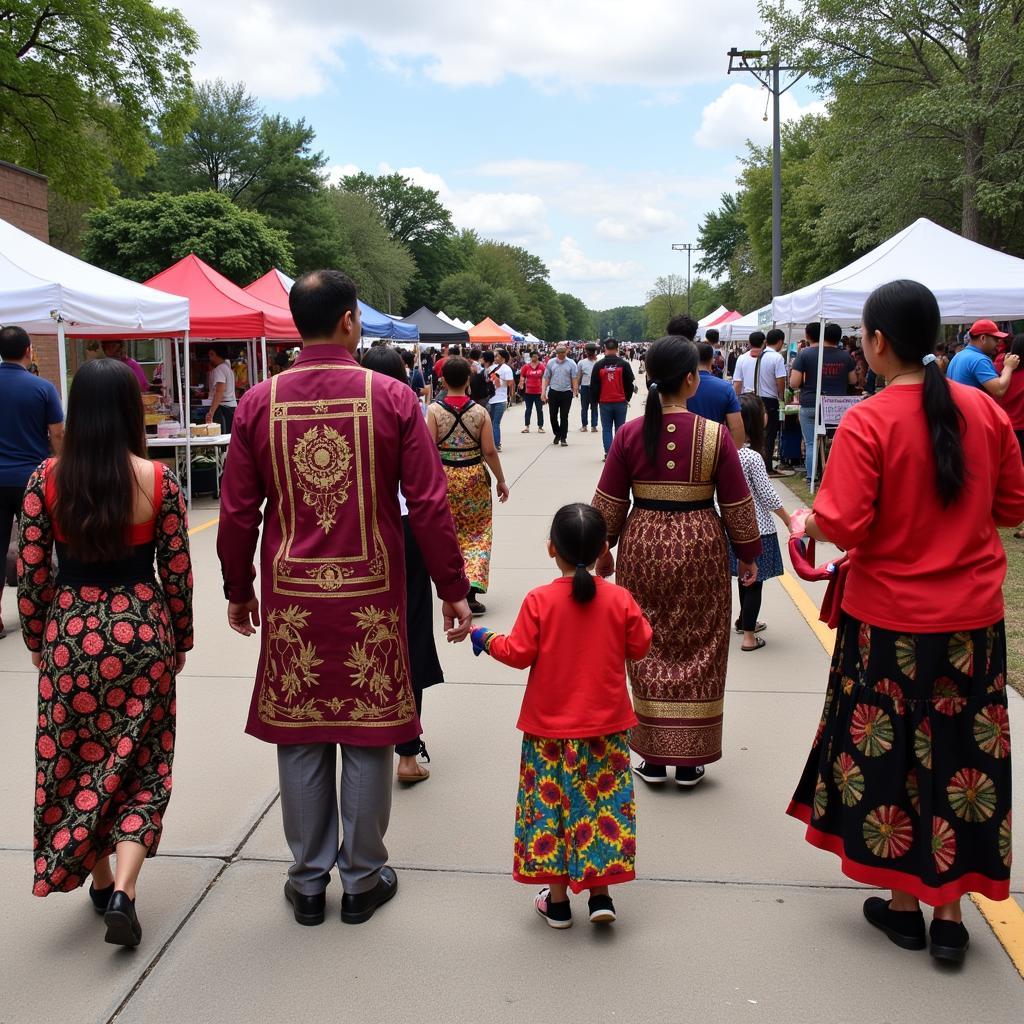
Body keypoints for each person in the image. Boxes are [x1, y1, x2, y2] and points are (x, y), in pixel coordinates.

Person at [217, 270, 473, 928]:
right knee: (365, 731)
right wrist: (451, 587)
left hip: (293, 597)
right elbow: (429, 503)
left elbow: (238, 512)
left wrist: (238, 590)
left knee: (302, 734)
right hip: (372, 595)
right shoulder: (390, 397)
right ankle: (360, 879)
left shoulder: (258, 403)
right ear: (351, 320)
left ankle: (307, 882)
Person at [787, 279, 1024, 965]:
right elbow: (1011, 509)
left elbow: (844, 521)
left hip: (886, 624)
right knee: (962, 756)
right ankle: (951, 913)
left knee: (889, 756)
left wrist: (809, 519)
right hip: (971, 627)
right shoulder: (985, 412)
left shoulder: (868, 421)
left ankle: (902, 907)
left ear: (878, 342)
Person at [18, 358, 193, 946]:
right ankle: (125, 885)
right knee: (144, 764)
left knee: (76, 759)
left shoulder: (45, 479)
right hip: (142, 629)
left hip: (72, 632)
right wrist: (181, 638)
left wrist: (38, 637)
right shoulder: (158, 480)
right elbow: (177, 571)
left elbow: (32, 571)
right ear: (128, 410)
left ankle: (96, 880)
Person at [470, 503, 652, 928]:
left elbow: (517, 653)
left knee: (551, 809)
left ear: (552, 549)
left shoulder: (539, 600)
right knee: (600, 809)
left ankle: (556, 903)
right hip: (604, 729)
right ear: (604, 547)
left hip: (547, 731)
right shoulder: (619, 599)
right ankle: (600, 896)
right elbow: (641, 644)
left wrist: (484, 637)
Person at [592, 337, 761, 786]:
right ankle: (689, 757)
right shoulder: (714, 435)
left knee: (646, 640)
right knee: (701, 643)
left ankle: (651, 754)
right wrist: (747, 555)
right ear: (691, 380)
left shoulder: (629, 434)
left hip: (642, 544)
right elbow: (738, 503)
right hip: (701, 546)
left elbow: (607, 503)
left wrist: (603, 550)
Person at [360, 347, 441, 785]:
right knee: (408, 634)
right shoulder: (406, 405)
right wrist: (450, 581)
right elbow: (428, 493)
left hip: (357, 529)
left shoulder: (343, 409)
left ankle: (363, 737)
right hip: (405, 529)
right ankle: (407, 751)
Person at [427, 356, 510, 617]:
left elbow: (428, 449)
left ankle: (452, 588)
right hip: (473, 475)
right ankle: (471, 590)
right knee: (477, 532)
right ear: (468, 381)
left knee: (449, 532)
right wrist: (501, 479)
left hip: (445, 476)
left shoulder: (434, 411)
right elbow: (489, 451)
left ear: (442, 380)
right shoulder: (480, 412)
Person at [0, 326, 64, 638]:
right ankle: (43, 610)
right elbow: (57, 434)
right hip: (31, 479)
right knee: (36, 547)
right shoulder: (43, 388)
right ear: (29, 350)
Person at [729, 394, 791, 652]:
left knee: (745, 578)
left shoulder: (726, 452)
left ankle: (745, 620)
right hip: (758, 530)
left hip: (733, 528)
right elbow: (767, 495)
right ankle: (749, 637)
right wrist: (789, 520)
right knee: (755, 581)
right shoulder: (752, 457)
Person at [789, 323, 857, 484]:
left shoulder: (805, 354)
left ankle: (812, 477)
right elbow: (853, 380)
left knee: (812, 443)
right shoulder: (846, 356)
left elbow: (793, 382)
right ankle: (836, 475)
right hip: (837, 406)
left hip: (811, 403)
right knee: (836, 443)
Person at [733, 331, 788, 476]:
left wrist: (735, 400)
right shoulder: (776, 358)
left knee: (748, 432)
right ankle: (766, 466)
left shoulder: (742, 358)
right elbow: (780, 381)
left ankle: (747, 464)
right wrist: (781, 397)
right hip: (769, 399)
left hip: (747, 398)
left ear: (750, 343)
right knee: (769, 434)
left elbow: (737, 383)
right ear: (763, 341)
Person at [687, 342, 744, 447]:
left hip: (685, 446)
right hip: (714, 448)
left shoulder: (681, 386)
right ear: (712, 360)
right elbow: (736, 429)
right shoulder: (725, 388)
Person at [947, 319, 1020, 397]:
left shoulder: (958, 356)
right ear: (983, 338)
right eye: (996, 339)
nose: (998, 342)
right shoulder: (979, 360)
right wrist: (1008, 367)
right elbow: (999, 390)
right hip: (972, 408)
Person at [591, 338, 636, 459]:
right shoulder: (624, 364)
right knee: (620, 429)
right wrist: (627, 398)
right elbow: (630, 383)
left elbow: (594, 385)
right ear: (617, 349)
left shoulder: (599, 365)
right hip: (620, 401)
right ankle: (619, 454)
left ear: (605, 348)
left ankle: (608, 453)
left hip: (604, 402)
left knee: (606, 428)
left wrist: (595, 401)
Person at [542, 343, 578, 447]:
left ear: (566, 352)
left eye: (563, 352)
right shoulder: (551, 363)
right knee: (553, 415)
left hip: (566, 393)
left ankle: (563, 437)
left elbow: (574, 377)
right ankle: (557, 433)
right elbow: (546, 377)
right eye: (559, 353)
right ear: (556, 353)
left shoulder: (571, 363)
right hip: (554, 391)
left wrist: (575, 390)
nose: (561, 354)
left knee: (564, 416)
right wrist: (543, 391)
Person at [482, 349, 514, 451]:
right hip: (490, 399)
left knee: (495, 422)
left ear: (503, 358)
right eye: (495, 356)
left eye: (498, 356)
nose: (495, 358)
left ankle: (496, 444)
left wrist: (499, 380)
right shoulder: (494, 368)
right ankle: (490, 443)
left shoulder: (506, 369)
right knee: (490, 423)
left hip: (500, 400)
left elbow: (510, 383)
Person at [204, 343, 238, 434]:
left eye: (212, 354)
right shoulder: (227, 367)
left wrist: (211, 412)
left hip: (224, 408)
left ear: (219, 355)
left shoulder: (219, 369)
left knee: (221, 436)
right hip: (231, 406)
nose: (210, 358)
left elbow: (219, 391)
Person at [519, 350, 546, 433]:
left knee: (539, 410)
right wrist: (522, 383)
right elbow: (522, 376)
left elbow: (545, 377)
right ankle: (527, 426)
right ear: (531, 357)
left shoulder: (542, 366)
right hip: (528, 392)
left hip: (538, 392)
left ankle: (540, 427)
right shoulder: (526, 367)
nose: (535, 357)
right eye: (533, 356)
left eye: (536, 356)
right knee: (528, 409)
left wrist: (544, 391)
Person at [576, 343, 599, 432]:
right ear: (586, 352)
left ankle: (594, 426)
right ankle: (584, 425)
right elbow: (579, 376)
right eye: (588, 351)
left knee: (594, 407)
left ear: (594, 352)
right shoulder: (581, 363)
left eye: (592, 351)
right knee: (584, 407)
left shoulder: (598, 363)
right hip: (585, 387)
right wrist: (576, 388)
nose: (590, 353)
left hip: (595, 387)